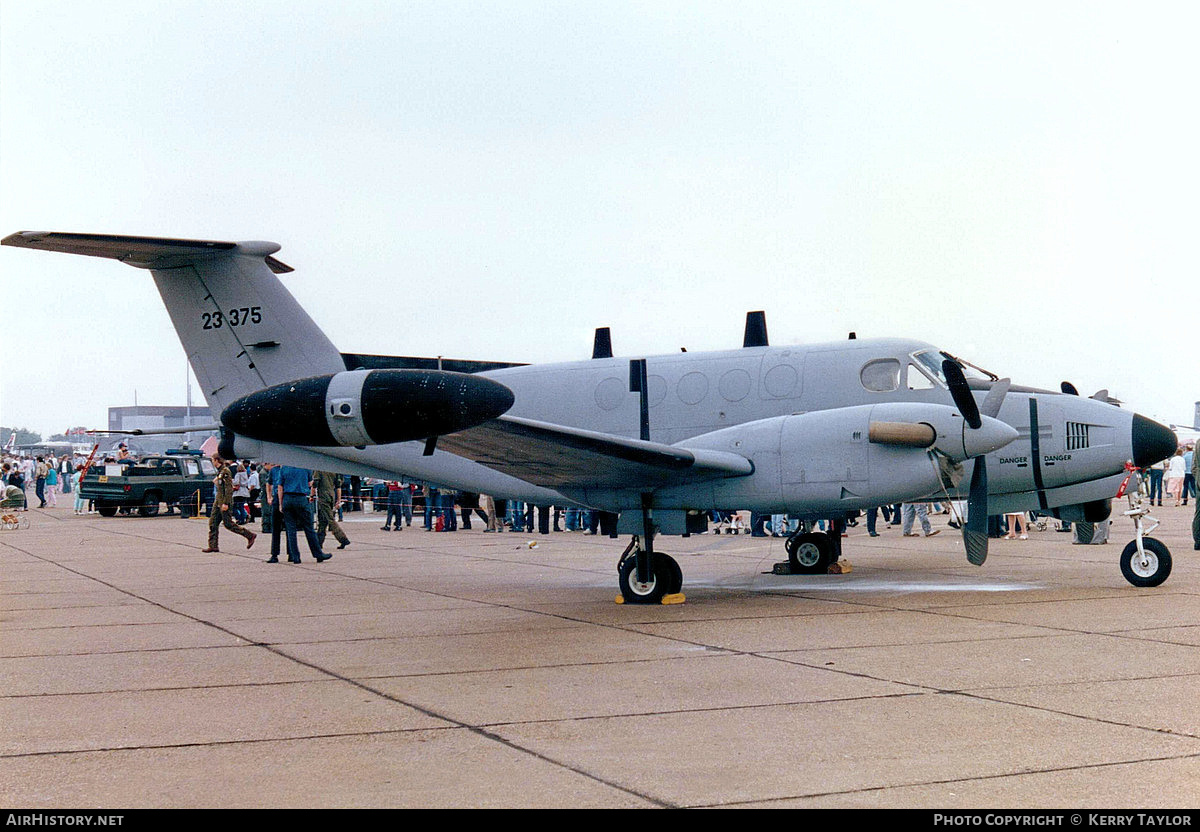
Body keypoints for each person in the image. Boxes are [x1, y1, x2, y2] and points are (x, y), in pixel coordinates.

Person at [202, 455, 257, 553]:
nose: (212, 462)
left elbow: (228, 489)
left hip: (224, 501)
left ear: (217, 460)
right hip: (218, 501)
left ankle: (249, 535)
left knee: (228, 524)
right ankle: (213, 545)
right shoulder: (220, 472)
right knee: (213, 523)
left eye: (212, 460)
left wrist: (226, 503)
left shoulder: (225, 471)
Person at [278, 465, 330, 563]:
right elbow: (310, 483)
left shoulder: (284, 468)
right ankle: (318, 554)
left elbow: (280, 487)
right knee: (309, 527)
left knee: (291, 530)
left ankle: (295, 557)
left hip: (287, 498)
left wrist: (281, 504)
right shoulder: (305, 467)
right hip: (301, 498)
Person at [314, 470, 350, 549]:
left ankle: (343, 538)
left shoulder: (319, 470)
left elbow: (315, 484)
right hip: (331, 495)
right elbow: (338, 486)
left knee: (330, 519)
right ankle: (319, 542)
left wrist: (311, 495)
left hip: (323, 496)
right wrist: (338, 500)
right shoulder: (334, 470)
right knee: (323, 519)